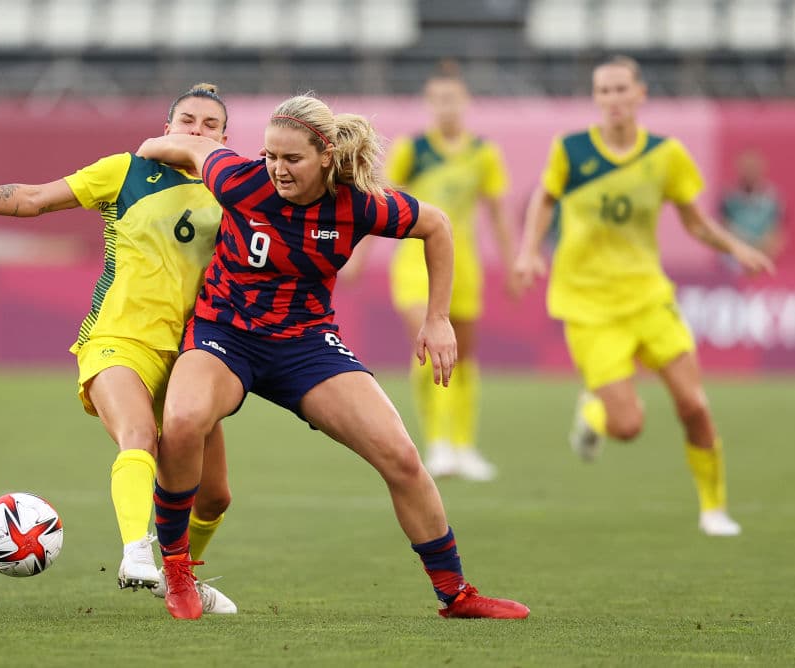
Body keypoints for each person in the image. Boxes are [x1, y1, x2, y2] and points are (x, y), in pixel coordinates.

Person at [136, 94, 530, 620]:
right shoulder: (238, 178)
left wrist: (438, 319)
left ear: (326, 157)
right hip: (223, 333)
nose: (276, 169)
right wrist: (150, 149)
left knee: (402, 458)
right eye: (270, 155)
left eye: (291, 159)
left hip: (304, 344)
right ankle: (179, 573)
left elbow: (436, 225)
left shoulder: (360, 204)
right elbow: (181, 145)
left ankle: (456, 594)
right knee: (182, 422)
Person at [0, 84, 237, 613]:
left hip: (192, 356)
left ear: (225, 137)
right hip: (117, 340)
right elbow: (34, 199)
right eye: (188, 120)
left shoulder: (234, 191)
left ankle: (178, 579)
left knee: (215, 495)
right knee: (139, 434)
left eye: (209, 125)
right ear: (166, 124)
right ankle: (137, 552)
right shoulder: (125, 171)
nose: (196, 131)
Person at [514, 56, 774, 537]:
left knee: (694, 405)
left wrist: (738, 247)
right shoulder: (571, 150)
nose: (612, 99)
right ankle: (593, 411)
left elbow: (694, 221)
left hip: (649, 298)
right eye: (603, 91)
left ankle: (714, 509)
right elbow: (545, 199)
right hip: (589, 307)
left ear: (640, 94)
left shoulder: (666, 155)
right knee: (629, 426)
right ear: (597, 99)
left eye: (620, 89)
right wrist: (529, 251)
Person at [385, 61, 518, 482]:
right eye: (438, 99)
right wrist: (354, 253)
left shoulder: (483, 154)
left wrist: (513, 261)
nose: (446, 107)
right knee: (428, 346)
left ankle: (465, 445)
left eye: (453, 99)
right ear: (428, 104)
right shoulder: (412, 150)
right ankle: (439, 443)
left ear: (465, 103)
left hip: (463, 266)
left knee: (464, 357)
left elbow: (497, 214)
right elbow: (382, 203)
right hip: (413, 264)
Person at [719, 149, 784, 271]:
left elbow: (778, 230)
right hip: (734, 257)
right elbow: (722, 226)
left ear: (761, 168)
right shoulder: (728, 196)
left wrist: (762, 249)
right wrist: (741, 245)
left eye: (753, 167)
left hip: (764, 254)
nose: (750, 171)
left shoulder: (773, 197)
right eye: (747, 167)